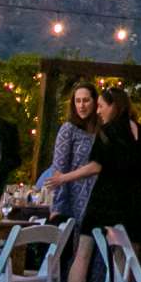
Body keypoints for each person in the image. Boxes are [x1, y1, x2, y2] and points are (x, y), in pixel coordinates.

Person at [44, 84, 141, 282]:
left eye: (102, 106)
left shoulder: (108, 131)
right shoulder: (140, 131)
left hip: (105, 198)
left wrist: (64, 178)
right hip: (133, 200)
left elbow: (95, 166)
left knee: (83, 251)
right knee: (124, 255)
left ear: (113, 106)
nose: (99, 111)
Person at [47, 83, 99, 224]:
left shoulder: (103, 130)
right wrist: (57, 207)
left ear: (95, 102)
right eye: (78, 101)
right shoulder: (69, 129)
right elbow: (59, 170)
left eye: (86, 100)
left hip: (99, 197)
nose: (81, 105)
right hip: (74, 196)